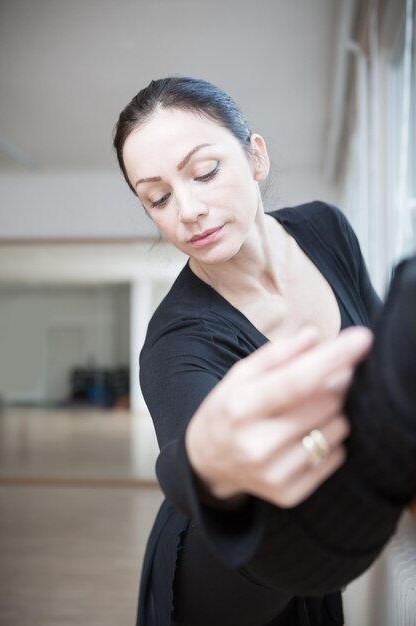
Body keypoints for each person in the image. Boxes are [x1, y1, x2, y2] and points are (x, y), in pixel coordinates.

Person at [113, 77, 416, 626]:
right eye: (157, 198)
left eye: (204, 172)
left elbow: (376, 358)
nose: (188, 210)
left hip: (317, 539)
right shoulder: (176, 340)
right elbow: (183, 469)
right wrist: (207, 459)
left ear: (256, 157)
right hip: (225, 559)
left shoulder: (326, 228)